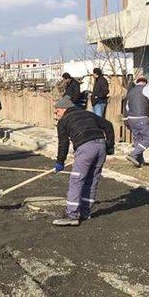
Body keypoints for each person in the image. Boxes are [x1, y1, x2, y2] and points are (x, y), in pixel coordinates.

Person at [52, 95, 115, 226]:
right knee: (92, 179)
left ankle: (72, 215)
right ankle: (85, 212)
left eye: (57, 110)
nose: (55, 113)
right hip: (100, 147)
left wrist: (60, 162)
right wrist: (109, 146)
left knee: (76, 180)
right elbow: (108, 125)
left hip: (85, 148)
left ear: (64, 109)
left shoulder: (63, 121)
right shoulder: (88, 114)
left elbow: (63, 143)